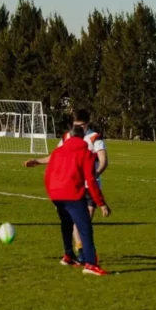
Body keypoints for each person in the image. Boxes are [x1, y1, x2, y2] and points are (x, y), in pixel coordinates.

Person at [25, 109, 108, 263]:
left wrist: (94, 175)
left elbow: (103, 161)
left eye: (82, 125)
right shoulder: (68, 137)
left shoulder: (95, 138)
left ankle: (81, 253)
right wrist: (37, 161)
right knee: (78, 221)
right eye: (76, 125)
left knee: (86, 220)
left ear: (88, 123)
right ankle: (81, 251)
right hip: (74, 185)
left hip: (91, 185)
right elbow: (55, 155)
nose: (79, 128)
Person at [45, 124, 111, 276]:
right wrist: (101, 203)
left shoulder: (58, 151)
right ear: (82, 137)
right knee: (85, 228)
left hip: (56, 194)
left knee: (66, 224)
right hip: (73, 195)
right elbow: (91, 180)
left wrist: (52, 195)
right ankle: (90, 264)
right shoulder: (86, 153)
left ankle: (68, 255)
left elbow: (48, 174)